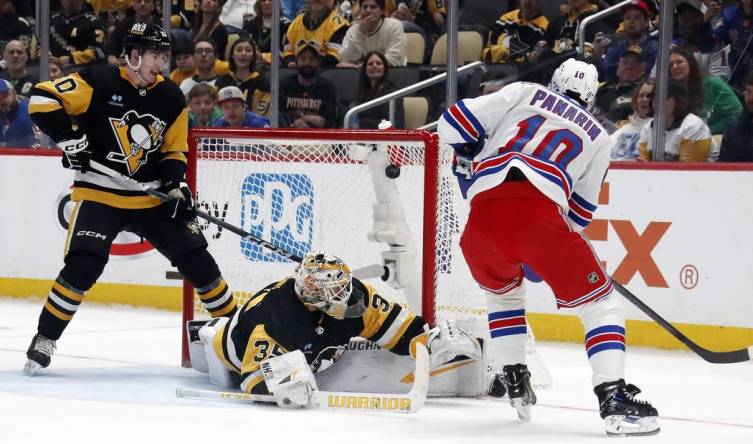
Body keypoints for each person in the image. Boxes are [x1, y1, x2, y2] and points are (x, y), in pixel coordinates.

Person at [436, 58, 659, 436]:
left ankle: (514, 378)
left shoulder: (525, 92)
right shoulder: (600, 136)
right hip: (540, 218)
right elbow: (579, 215)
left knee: (504, 297)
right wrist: (545, 247)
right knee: (600, 304)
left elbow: (451, 123)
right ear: (591, 96)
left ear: (553, 82)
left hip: (481, 224)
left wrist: (473, 152)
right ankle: (614, 397)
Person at [24, 22, 238, 375]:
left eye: (165, 56)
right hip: (101, 193)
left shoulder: (170, 96)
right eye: (156, 55)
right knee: (84, 265)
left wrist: (174, 185)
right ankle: (45, 338)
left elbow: (174, 149)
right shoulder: (97, 81)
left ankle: (238, 333)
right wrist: (69, 138)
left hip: (150, 197)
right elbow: (42, 99)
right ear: (135, 55)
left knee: (198, 260)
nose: (162, 63)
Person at [192, 251, 481, 403]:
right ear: (315, 295)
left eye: (344, 286)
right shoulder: (275, 321)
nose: (347, 295)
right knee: (218, 337)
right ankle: (211, 330)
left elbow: (396, 328)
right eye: (336, 291)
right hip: (227, 349)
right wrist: (282, 384)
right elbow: (254, 383)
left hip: (306, 346)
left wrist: (429, 342)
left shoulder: (355, 294)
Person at [669, 47, 742, 135]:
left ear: (690, 63)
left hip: (718, 136)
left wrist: (707, 131)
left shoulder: (713, 84)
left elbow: (736, 115)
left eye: (679, 62)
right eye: (671, 65)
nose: (675, 67)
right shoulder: (673, 94)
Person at [638, 80, 713, 161]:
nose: (659, 102)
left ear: (678, 99)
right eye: (655, 97)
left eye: (665, 97)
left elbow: (688, 170)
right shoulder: (647, 128)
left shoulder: (694, 126)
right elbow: (643, 165)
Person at [592, 0, 658, 82]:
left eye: (637, 18)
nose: (631, 21)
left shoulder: (655, 48)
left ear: (646, 22)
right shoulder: (616, 48)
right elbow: (604, 77)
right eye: (628, 18)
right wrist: (597, 56)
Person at [279, 43, 338, 128]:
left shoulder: (327, 87)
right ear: (296, 62)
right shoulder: (285, 85)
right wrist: (307, 119)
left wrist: (306, 122)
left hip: (319, 138)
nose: (307, 62)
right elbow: (279, 115)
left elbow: (329, 122)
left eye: (312, 59)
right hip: (289, 135)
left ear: (318, 63)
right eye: (303, 59)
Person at [214, 36, 273, 117]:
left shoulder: (262, 82)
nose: (243, 54)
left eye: (248, 51)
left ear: (253, 57)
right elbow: (216, 111)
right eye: (239, 50)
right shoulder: (222, 81)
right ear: (232, 55)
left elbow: (261, 115)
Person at [337, 0, 407, 68]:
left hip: (392, 72)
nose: (368, 10)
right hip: (361, 75)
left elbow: (394, 59)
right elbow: (344, 60)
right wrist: (359, 33)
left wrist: (359, 66)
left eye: (373, 7)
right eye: (364, 7)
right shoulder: (353, 30)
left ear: (382, 11)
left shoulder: (394, 26)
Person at [673, 0, 731, 78]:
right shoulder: (673, 46)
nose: (685, 22)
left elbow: (719, 86)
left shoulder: (716, 47)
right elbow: (655, 79)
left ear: (703, 20)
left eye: (692, 17)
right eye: (682, 17)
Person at [282, 0, 349, 67]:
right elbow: (287, 53)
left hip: (324, 74)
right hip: (296, 74)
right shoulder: (296, 23)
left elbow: (334, 59)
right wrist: (291, 63)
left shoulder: (338, 25)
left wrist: (302, 63)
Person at [482, 0, 549, 65]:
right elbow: (487, 38)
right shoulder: (508, 17)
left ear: (539, 1)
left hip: (514, 72)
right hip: (488, 65)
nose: (527, 1)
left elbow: (532, 62)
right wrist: (490, 53)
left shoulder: (544, 29)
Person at [595, 45, 647, 123]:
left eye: (635, 63)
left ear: (643, 69)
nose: (629, 67)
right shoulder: (602, 87)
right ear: (619, 64)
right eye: (626, 62)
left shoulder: (641, 95)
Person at [351, 50, 403, 128]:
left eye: (378, 63)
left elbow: (395, 124)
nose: (374, 66)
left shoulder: (393, 93)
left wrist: (362, 123)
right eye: (370, 64)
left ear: (384, 68)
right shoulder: (361, 92)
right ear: (365, 69)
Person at [50, 0, 107, 67]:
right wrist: (45, 55)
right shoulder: (52, 20)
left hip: (80, 69)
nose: (73, 2)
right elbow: (38, 44)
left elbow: (99, 52)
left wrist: (70, 59)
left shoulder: (93, 22)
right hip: (49, 67)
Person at [106, 0, 160, 66]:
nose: (142, 4)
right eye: (138, 1)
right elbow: (111, 56)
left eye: (146, 1)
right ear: (133, 5)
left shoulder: (161, 27)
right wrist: (118, 65)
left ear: (153, 6)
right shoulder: (122, 26)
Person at [610, 79, 654, 160]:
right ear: (635, 101)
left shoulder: (660, 131)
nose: (645, 99)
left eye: (649, 96)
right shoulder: (623, 129)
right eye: (641, 95)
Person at [242, 0, 289, 65]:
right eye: (263, 0)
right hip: (251, 65)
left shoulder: (287, 25)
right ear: (258, 4)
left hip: (277, 67)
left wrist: (262, 56)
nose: (267, 3)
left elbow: (286, 53)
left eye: (270, 0)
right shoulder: (249, 24)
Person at [0, 78, 39, 147]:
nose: (2, 101)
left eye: (5, 96)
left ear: (14, 93)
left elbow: (40, 151)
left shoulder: (31, 113)